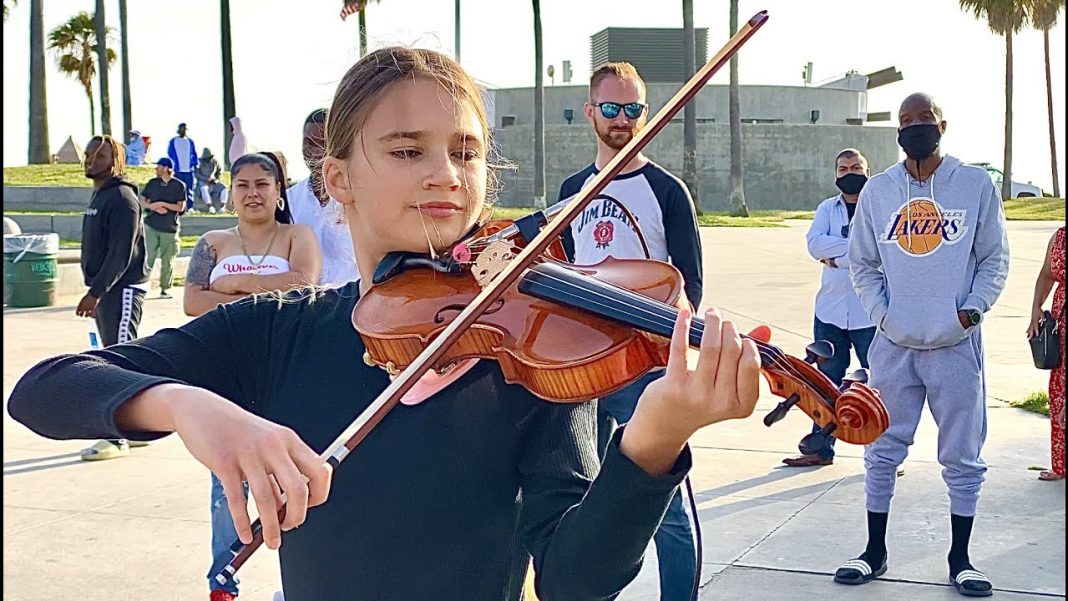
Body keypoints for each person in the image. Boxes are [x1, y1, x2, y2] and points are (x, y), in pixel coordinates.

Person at [8, 47, 761, 601]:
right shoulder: (282, 331)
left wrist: (654, 441)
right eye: (408, 150)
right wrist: (187, 403)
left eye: (465, 152)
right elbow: (45, 388)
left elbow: (575, 578)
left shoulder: (533, 351)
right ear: (337, 179)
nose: (446, 173)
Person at [838, 93, 1009, 597]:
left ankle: (961, 559)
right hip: (894, 345)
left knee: (962, 454)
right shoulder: (878, 191)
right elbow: (862, 262)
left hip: (955, 345)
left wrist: (969, 312)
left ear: (942, 125)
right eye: (905, 122)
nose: (914, 129)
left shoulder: (974, 185)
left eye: (924, 120)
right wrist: (882, 316)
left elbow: (994, 258)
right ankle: (874, 551)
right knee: (881, 448)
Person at [556, 61, 703, 601]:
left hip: (645, 370)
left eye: (634, 109)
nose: (623, 120)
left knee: (666, 511)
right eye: (612, 109)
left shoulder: (666, 191)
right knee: (584, 500)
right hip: (578, 372)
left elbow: (691, 290)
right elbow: (561, 276)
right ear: (591, 112)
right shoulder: (573, 189)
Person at [185, 152, 321, 601]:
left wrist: (233, 287)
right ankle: (223, 580)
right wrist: (266, 288)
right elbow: (192, 302)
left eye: (262, 183)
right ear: (231, 192)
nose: (252, 193)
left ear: (279, 190)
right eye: (242, 184)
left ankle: (298, 583)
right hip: (227, 376)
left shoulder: (297, 235)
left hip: (286, 370)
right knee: (226, 486)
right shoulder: (212, 243)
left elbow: (305, 282)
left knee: (293, 479)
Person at [782, 149, 877, 468]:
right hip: (831, 312)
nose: (849, 172)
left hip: (871, 312)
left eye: (855, 167)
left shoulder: (879, 206)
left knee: (877, 383)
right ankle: (820, 449)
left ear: (867, 170)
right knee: (824, 383)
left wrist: (836, 258)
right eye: (843, 168)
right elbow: (814, 245)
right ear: (836, 174)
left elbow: (881, 251)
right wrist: (857, 254)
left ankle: (881, 454)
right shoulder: (827, 208)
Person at [75, 135, 150, 461]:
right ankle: (133, 430)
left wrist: (97, 292)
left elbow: (121, 253)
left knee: (118, 359)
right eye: (90, 154)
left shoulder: (121, 198)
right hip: (109, 291)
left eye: (101, 155)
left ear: (116, 161)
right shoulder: (100, 197)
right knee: (116, 357)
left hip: (122, 289)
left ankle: (116, 435)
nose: (92, 160)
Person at [288, 108, 361, 287]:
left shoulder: (361, 196)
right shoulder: (288, 200)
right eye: (309, 143)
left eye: (323, 143)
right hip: (303, 305)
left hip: (353, 303)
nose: (316, 152)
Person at [1027, 226, 1066, 481]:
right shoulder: (1060, 236)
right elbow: (1046, 275)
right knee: (1059, 391)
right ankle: (1061, 464)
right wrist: (1036, 308)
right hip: (1060, 327)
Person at [140, 157, 187, 299]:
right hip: (151, 225)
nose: (156, 169)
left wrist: (163, 204)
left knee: (168, 260)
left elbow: (181, 206)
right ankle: (142, 286)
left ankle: (165, 288)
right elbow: (142, 200)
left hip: (169, 228)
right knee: (147, 257)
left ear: (166, 168)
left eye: (159, 166)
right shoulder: (152, 184)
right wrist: (152, 206)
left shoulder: (179, 185)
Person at [167, 123, 199, 212]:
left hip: (188, 171)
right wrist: (173, 166)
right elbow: (170, 154)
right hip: (177, 171)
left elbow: (194, 154)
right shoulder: (173, 141)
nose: (184, 131)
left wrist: (195, 164)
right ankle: (177, 207)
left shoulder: (190, 141)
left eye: (185, 129)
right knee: (177, 189)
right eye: (182, 129)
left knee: (189, 189)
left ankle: (190, 207)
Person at [195, 147, 228, 214]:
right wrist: (205, 179)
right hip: (203, 182)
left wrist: (216, 179)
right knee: (203, 188)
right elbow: (196, 174)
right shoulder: (199, 162)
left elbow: (219, 172)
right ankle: (210, 207)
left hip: (213, 182)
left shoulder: (215, 162)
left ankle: (222, 207)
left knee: (224, 188)